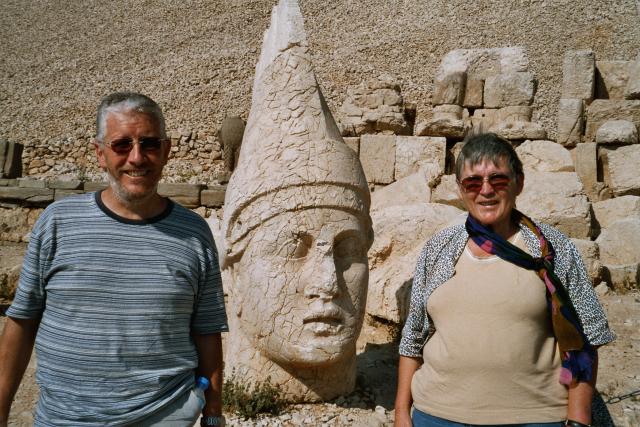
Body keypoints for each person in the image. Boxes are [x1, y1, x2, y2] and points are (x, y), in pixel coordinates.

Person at [0, 92, 228, 427]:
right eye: (122, 145)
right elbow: (22, 322)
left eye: (149, 144)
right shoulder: (57, 223)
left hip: (166, 417)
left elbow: (207, 331)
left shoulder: (194, 233)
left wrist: (213, 416)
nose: (137, 157)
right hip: (65, 420)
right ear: (100, 153)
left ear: (166, 151)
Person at [394, 133, 614, 427]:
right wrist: (400, 414)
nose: (485, 191)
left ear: (518, 183)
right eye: (473, 183)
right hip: (436, 415)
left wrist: (579, 418)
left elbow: (587, 338)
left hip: (536, 417)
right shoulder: (439, 248)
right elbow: (413, 338)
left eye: (498, 180)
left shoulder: (552, 249)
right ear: (461, 189)